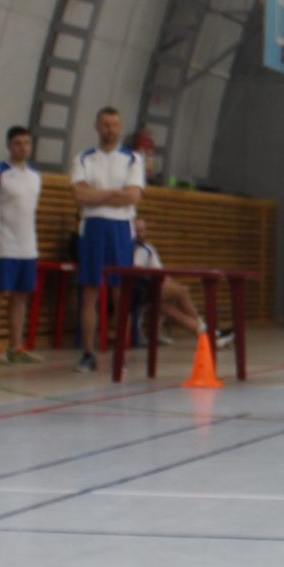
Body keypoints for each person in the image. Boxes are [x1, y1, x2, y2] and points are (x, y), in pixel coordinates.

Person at [71, 105, 145, 373]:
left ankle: (120, 353)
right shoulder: (84, 158)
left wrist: (98, 195)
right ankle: (88, 352)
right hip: (93, 227)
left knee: (119, 292)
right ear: (97, 126)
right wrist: (114, 194)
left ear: (120, 127)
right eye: (105, 124)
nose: (110, 129)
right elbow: (80, 195)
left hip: (121, 229)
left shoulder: (132, 159)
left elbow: (133, 196)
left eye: (114, 125)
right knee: (90, 291)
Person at [0, 125, 42, 366]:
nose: (23, 148)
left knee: (21, 296)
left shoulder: (35, 176)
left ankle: (16, 346)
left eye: (27, 143)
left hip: (28, 247)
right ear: (9, 145)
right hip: (3, 246)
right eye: (17, 143)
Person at [130, 218, 235, 346]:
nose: (140, 234)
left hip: (153, 287)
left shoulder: (148, 248)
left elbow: (157, 269)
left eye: (142, 230)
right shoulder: (134, 249)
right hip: (144, 287)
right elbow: (137, 269)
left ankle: (208, 335)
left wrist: (165, 279)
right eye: (137, 231)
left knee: (166, 307)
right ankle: (208, 330)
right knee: (181, 291)